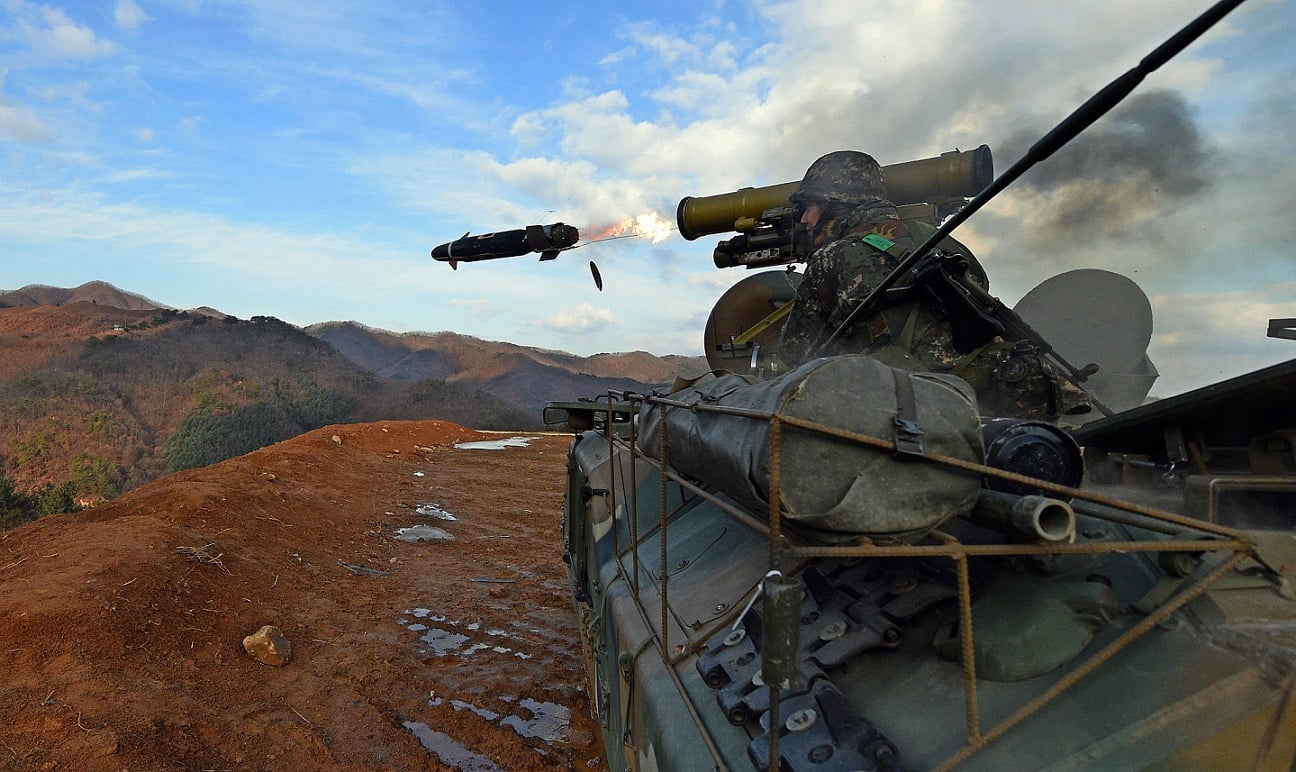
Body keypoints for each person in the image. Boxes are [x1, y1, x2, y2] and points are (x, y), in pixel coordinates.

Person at [777, 150, 1085, 420]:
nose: (804, 219)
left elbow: (795, 354)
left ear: (834, 205)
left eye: (808, 207)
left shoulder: (834, 257)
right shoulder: (946, 242)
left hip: (914, 412)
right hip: (992, 401)